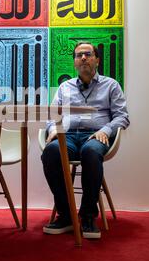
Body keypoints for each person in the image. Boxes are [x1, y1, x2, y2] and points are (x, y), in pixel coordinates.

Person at [41, 42, 130, 239]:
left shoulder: (111, 85)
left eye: (88, 54)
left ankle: (88, 216)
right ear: (74, 62)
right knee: (51, 152)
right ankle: (66, 215)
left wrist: (106, 130)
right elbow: (52, 114)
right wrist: (54, 128)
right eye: (79, 55)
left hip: (96, 136)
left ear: (97, 60)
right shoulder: (65, 87)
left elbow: (122, 116)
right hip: (69, 136)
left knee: (90, 152)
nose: (83, 58)